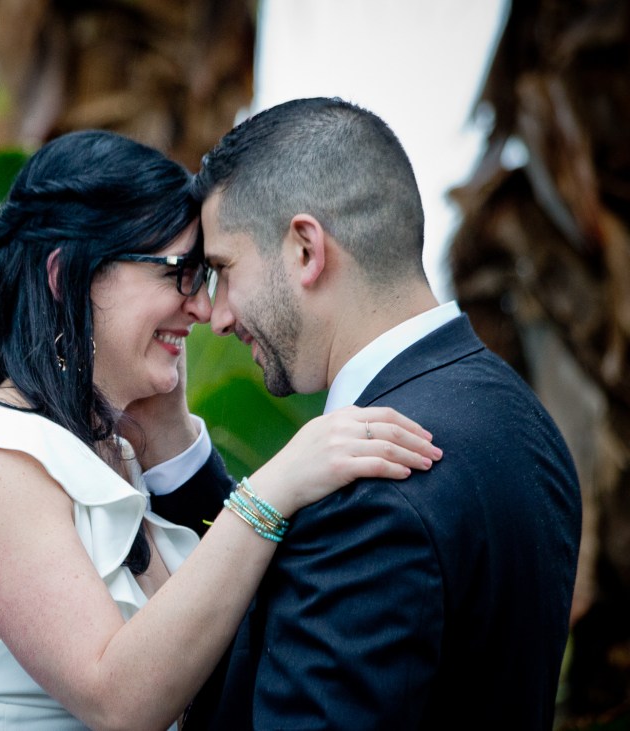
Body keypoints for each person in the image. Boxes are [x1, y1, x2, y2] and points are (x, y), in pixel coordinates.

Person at [0, 130, 442, 730]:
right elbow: (118, 701)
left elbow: (217, 645)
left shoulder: (105, 450)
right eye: (178, 272)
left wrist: (168, 423)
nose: (203, 309)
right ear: (64, 274)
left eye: (204, 277)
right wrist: (273, 488)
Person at [188, 97, 582, 730]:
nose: (217, 313)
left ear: (305, 250)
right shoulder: (524, 420)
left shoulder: (368, 485)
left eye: (223, 270)